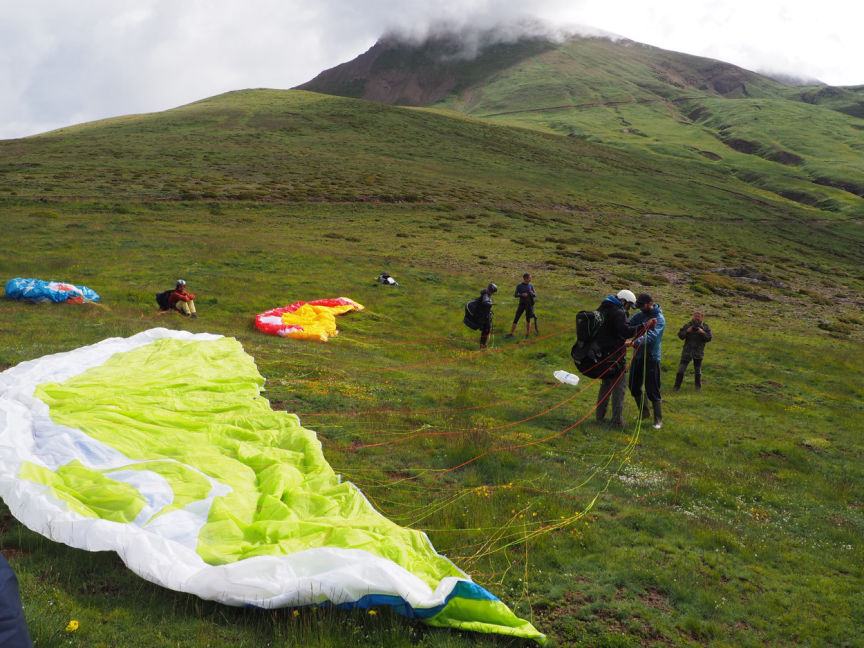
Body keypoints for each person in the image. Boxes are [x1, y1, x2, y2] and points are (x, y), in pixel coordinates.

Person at [594, 289, 639, 427]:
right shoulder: (618, 312)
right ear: (623, 301)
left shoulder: (603, 308)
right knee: (619, 387)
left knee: (606, 384)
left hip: (602, 352)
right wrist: (643, 327)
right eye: (628, 305)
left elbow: (609, 332)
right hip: (614, 355)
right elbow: (625, 332)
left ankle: (599, 416)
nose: (628, 309)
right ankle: (617, 421)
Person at [625, 293, 665, 429]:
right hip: (638, 356)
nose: (640, 309)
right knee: (633, 386)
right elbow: (629, 324)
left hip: (652, 358)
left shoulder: (659, 318)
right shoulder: (640, 315)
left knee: (652, 388)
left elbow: (652, 337)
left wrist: (634, 343)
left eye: (642, 306)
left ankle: (658, 420)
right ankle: (645, 412)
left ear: (650, 303)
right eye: (639, 306)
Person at [675, 310, 712, 390]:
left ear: (702, 317)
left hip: (698, 353)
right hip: (687, 352)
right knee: (680, 370)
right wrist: (687, 331)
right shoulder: (688, 325)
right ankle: (676, 388)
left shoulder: (705, 327)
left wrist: (702, 332)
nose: (697, 318)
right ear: (693, 316)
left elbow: (709, 338)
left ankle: (698, 388)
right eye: (695, 316)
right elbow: (680, 335)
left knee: (698, 372)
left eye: (699, 316)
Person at [506, 273, 536, 338]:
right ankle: (511, 333)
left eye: (530, 278)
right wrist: (522, 295)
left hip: (529, 305)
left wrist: (532, 293)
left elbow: (535, 294)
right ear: (525, 279)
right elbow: (515, 295)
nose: (530, 279)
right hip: (522, 304)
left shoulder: (531, 285)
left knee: (528, 319)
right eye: (529, 278)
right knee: (516, 318)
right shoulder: (519, 285)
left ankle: (527, 334)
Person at [476, 282, 497, 348]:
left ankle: (483, 344)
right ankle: (483, 345)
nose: (493, 293)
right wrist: (490, 304)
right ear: (490, 290)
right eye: (493, 292)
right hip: (483, 317)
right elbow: (485, 302)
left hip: (484, 315)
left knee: (486, 330)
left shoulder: (485, 293)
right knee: (486, 330)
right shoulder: (485, 295)